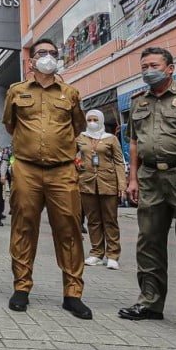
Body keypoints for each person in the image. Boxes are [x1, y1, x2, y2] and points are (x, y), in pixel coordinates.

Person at [120, 47, 176, 338]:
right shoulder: (138, 101)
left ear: (170, 68)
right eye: (144, 65)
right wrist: (132, 178)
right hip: (149, 176)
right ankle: (150, 301)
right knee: (149, 241)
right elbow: (134, 143)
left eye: (154, 65)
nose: (148, 70)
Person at [2, 38, 91, 319]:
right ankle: (22, 288)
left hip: (63, 170)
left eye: (53, 53)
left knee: (69, 229)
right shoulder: (16, 91)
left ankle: (72, 294)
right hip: (26, 168)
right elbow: (10, 123)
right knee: (23, 226)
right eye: (42, 53)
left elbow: (77, 125)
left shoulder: (70, 93)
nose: (48, 57)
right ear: (31, 61)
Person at [76, 109, 126, 270]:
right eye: (89, 119)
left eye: (95, 119)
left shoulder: (110, 139)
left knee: (110, 219)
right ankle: (96, 253)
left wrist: (122, 185)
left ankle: (112, 254)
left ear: (101, 120)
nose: (92, 122)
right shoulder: (81, 138)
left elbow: (119, 162)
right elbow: (72, 156)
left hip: (108, 183)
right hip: (87, 184)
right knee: (93, 220)